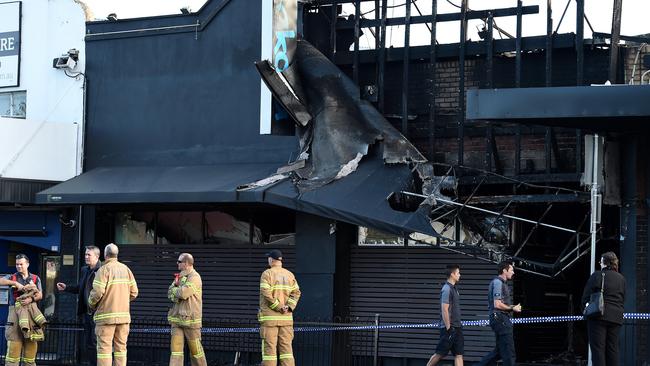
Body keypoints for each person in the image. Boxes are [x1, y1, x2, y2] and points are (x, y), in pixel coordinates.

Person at [88, 243, 138, 366]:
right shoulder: (126, 269)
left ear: (105, 255)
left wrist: (91, 303)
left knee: (104, 350)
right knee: (121, 349)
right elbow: (134, 292)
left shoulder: (103, 270)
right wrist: (122, 301)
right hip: (123, 318)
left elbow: (97, 292)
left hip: (106, 318)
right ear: (116, 255)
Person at [56, 245, 102, 365]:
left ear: (97, 256)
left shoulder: (102, 270)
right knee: (89, 343)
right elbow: (80, 288)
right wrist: (66, 288)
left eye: (89, 255)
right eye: (85, 254)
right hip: (87, 312)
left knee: (97, 342)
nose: (86, 257)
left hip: (98, 313)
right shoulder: (84, 270)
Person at [581, 251, 626, 366]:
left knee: (598, 350)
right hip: (616, 317)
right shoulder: (621, 278)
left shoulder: (597, 275)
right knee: (613, 350)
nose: (600, 264)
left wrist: (585, 309)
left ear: (604, 263)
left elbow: (585, 297)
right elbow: (623, 298)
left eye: (600, 262)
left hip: (598, 316)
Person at [258, 249, 301, 366]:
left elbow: (266, 293)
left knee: (269, 352)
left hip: (270, 320)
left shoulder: (267, 274)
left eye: (268, 258)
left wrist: (278, 307)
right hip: (286, 320)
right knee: (287, 352)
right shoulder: (289, 274)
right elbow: (296, 293)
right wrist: (289, 307)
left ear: (271, 260)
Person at [0, 254, 43, 366]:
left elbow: (40, 295)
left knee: (30, 350)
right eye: (17, 264)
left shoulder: (35, 278)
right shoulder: (12, 277)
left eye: (21, 264)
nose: (19, 266)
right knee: (13, 348)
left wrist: (31, 299)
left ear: (27, 264)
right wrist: (14, 283)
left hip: (31, 315)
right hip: (14, 314)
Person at [476, 261, 522, 366]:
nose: (513, 272)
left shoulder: (501, 283)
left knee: (500, 352)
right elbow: (497, 304)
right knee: (509, 352)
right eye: (511, 270)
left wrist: (512, 307)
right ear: (504, 271)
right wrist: (513, 308)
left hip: (499, 318)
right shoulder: (498, 283)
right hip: (500, 318)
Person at [167, 253, 206, 366]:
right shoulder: (179, 276)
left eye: (179, 262)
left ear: (186, 264)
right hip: (177, 320)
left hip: (191, 322)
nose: (177, 264)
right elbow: (169, 293)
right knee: (176, 353)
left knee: (196, 353)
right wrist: (176, 291)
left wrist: (176, 291)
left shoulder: (195, 277)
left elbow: (184, 293)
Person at [427, 264, 464, 366]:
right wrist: (448, 328)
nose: (460, 275)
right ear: (452, 274)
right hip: (448, 328)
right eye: (458, 273)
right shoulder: (446, 289)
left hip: (457, 327)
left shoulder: (454, 288)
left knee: (459, 354)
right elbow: (444, 309)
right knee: (439, 354)